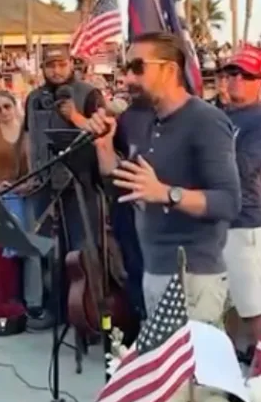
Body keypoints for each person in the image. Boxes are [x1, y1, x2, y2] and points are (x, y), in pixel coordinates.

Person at [85, 31, 241, 325]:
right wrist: (104, 149)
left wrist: (168, 193)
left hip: (194, 277)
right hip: (152, 270)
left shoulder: (206, 120)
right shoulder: (145, 121)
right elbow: (130, 186)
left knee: (195, 370)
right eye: (125, 68)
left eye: (137, 68)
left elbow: (229, 202)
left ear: (169, 69)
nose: (127, 78)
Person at [22, 46, 105, 330]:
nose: (56, 70)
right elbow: (27, 138)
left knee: (82, 252)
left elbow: (104, 135)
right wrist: (28, 172)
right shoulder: (34, 99)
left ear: (71, 64)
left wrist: (75, 117)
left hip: (80, 185)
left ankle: (89, 314)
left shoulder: (88, 94)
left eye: (61, 64)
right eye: (50, 65)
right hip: (44, 184)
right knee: (49, 252)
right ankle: (55, 311)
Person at [219, 45, 261, 357]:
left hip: (245, 223)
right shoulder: (218, 115)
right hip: (215, 220)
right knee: (221, 304)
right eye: (231, 74)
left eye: (245, 75)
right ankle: (226, 367)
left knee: (254, 306)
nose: (235, 80)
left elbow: (242, 166)